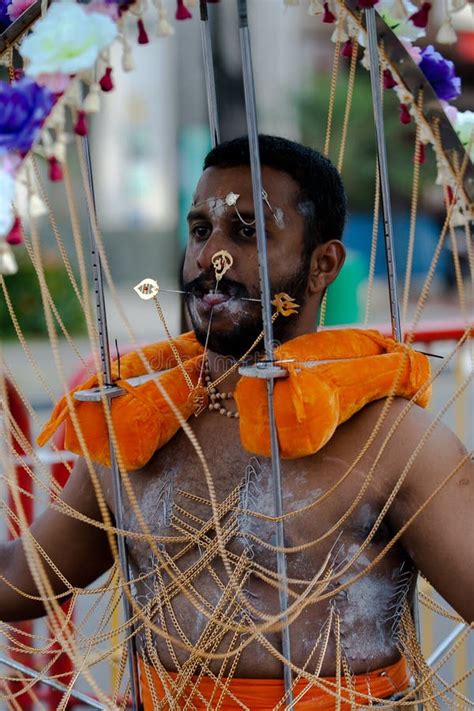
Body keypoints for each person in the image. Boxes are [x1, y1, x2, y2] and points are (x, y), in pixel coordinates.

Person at [1, 136, 473, 710]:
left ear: (324, 264)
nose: (209, 259)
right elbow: (25, 580)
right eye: (201, 230)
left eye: (247, 232)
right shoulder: (137, 424)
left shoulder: (393, 438)